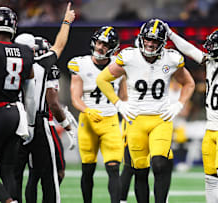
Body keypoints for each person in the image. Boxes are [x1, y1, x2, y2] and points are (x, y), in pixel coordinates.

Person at [96, 19, 195, 203]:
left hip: (161, 118)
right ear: (141, 38)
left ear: (163, 43)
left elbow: (189, 83)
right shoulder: (129, 56)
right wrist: (118, 103)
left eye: (155, 41)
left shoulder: (171, 58)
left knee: (159, 163)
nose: (150, 44)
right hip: (135, 119)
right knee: (139, 170)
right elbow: (102, 79)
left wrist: (179, 104)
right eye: (148, 39)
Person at [166, 23, 218, 202]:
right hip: (211, 128)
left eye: (214, 45)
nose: (209, 48)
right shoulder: (212, 62)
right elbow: (189, 49)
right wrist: (171, 35)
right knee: (210, 178)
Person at [0, 6, 36, 203]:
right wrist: (30, 123)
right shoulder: (26, 52)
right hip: (16, 114)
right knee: (8, 170)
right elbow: (30, 95)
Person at [14, 34, 76, 203]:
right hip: (41, 124)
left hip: (15, 120)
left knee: (17, 175)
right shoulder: (44, 67)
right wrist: (66, 125)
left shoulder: (12, 65)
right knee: (50, 174)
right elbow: (51, 103)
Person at [68, 26, 125, 203]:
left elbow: (124, 98)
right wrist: (87, 110)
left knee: (114, 167)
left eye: (106, 45)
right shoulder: (81, 64)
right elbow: (75, 98)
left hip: (111, 120)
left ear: (113, 48)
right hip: (88, 121)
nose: (101, 47)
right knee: (88, 168)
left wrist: (129, 119)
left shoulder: (119, 65)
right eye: (100, 42)